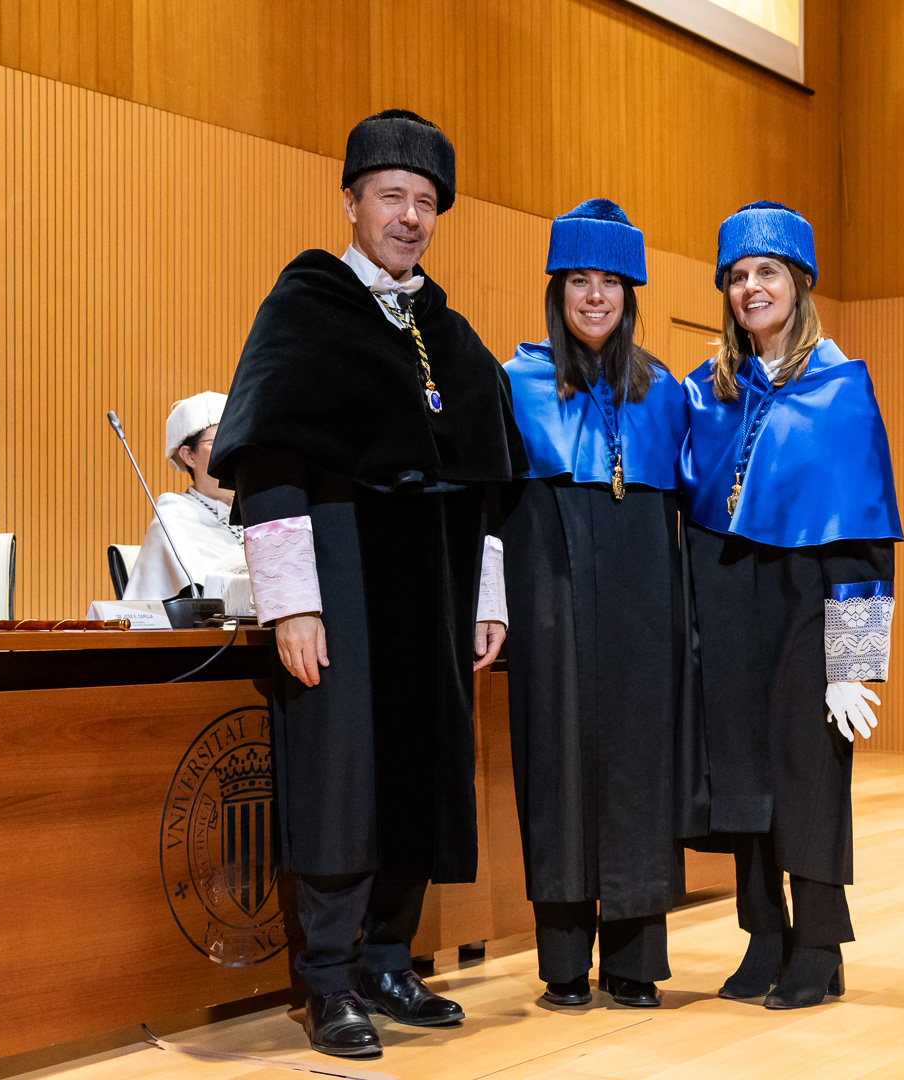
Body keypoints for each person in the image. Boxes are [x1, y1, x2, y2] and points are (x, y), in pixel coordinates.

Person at [208, 110, 525, 1059]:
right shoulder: (306, 305)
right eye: (392, 196)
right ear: (351, 201)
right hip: (340, 568)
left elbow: (488, 479)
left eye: (425, 202)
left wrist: (486, 598)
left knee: (419, 765)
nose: (410, 216)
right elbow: (269, 462)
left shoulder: (449, 334)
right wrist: (292, 603)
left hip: (433, 580)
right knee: (341, 771)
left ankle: (390, 957)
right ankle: (329, 979)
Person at [678, 201, 902, 1010]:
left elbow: (864, 537)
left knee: (808, 769)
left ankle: (818, 943)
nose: (751, 288)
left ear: (800, 282)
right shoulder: (707, 392)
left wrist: (855, 664)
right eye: (737, 276)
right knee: (740, 767)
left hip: (807, 596)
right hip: (728, 595)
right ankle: (763, 933)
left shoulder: (841, 389)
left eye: (767, 272)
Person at [500, 200, 689, 1010]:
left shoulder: (665, 390)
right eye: (579, 280)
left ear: (629, 295)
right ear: (557, 290)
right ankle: (564, 962)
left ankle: (635, 961)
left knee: (641, 768)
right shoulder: (515, 384)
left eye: (610, 282)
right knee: (559, 765)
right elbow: (485, 510)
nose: (595, 296)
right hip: (550, 597)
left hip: (646, 603)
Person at [121, 391, 244, 601]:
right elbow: (204, 593)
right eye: (219, 441)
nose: (232, 451)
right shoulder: (173, 516)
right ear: (189, 456)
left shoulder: (252, 510)